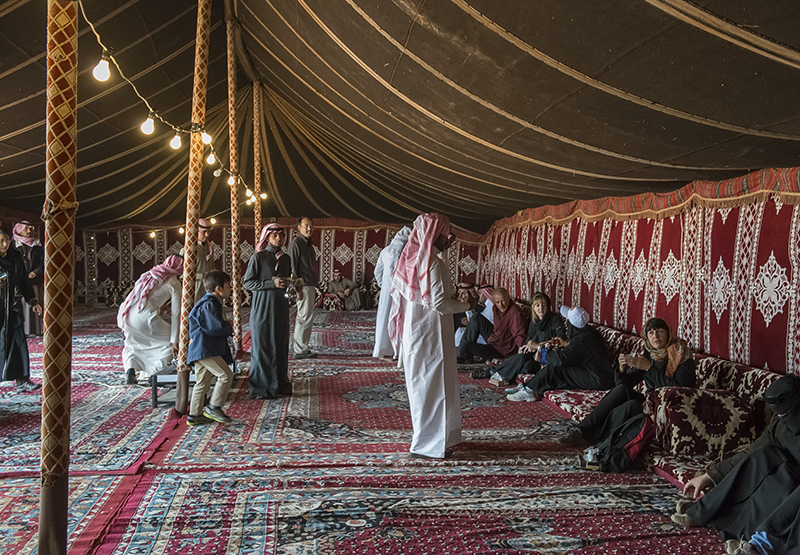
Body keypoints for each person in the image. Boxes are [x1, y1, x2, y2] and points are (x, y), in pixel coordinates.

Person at [671, 374, 800, 555]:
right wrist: (708, 477)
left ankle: (756, 543)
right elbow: (752, 451)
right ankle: (704, 511)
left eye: (784, 413)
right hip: (786, 473)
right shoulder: (780, 424)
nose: (780, 417)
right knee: (763, 456)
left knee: (777, 482)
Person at [389, 213, 478, 459]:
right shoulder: (433, 263)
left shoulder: (411, 260)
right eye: (447, 234)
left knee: (424, 388)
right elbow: (439, 304)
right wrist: (467, 306)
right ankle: (427, 445)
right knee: (432, 389)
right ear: (434, 234)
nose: (451, 239)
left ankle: (438, 439)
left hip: (416, 334)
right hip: (430, 337)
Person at [559, 317, 695, 446]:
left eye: (660, 331)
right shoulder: (651, 353)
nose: (655, 336)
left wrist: (649, 367)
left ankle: (589, 436)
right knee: (622, 392)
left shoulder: (681, 354)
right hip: (652, 402)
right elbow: (623, 384)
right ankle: (583, 430)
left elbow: (679, 390)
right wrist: (621, 370)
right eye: (651, 332)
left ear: (668, 333)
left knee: (629, 407)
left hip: (670, 408)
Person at [508, 305, 613, 401]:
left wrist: (542, 352)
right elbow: (580, 350)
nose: (565, 322)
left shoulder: (581, 340)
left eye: (567, 320)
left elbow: (560, 360)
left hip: (596, 378)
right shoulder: (589, 332)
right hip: (600, 374)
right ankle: (529, 386)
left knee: (556, 368)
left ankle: (529, 390)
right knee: (555, 367)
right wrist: (566, 344)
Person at [243, 223, 294, 399]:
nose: (278, 238)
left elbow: (288, 280)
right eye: (274, 235)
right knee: (263, 347)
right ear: (267, 237)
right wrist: (270, 284)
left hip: (280, 308)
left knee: (280, 346)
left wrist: (292, 286)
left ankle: (280, 385)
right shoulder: (258, 258)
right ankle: (262, 389)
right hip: (262, 309)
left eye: (281, 235)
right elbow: (247, 283)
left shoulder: (286, 259)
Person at [117, 255, 183, 384]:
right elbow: (176, 314)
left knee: (133, 343)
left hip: (127, 314)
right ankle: (156, 373)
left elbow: (143, 295)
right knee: (170, 342)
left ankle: (130, 369)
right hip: (146, 318)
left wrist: (160, 307)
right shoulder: (174, 283)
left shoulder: (150, 273)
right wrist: (175, 340)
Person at [186, 270, 235, 426]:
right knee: (226, 375)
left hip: (201, 348)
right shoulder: (209, 304)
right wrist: (228, 325)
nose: (230, 289)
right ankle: (214, 407)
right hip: (205, 349)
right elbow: (214, 328)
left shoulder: (209, 302)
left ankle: (194, 415)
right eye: (228, 285)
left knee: (203, 382)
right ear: (218, 289)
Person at [0, 227, 42, 392]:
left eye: (6, 241)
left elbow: (24, 281)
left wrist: (34, 302)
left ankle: (23, 380)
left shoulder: (15, 256)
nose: (5, 244)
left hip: (14, 308)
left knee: (18, 342)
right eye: (1, 242)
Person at [495, 292, 567, 386]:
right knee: (525, 364)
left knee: (523, 361)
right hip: (535, 356)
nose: (540, 309)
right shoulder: (534, 322)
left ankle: (497, 373)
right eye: (537, 305)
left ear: (548, 306)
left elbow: (559, 341)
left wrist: (536, 346)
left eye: (544, 305)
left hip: (548, 356)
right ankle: (500, 374)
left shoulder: (555, 319)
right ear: (533, 307)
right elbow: (529, 341)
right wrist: (525, 348)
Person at [456, 287, 526, 364]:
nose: (501, 305)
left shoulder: (514, 312)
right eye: (497, 302)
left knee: (466, 345)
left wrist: (521, 348)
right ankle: (465, 355)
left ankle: (465, 354)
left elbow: (519, 333)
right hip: (496, 340)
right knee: (476, 318)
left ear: (508, 298)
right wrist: (491, 338)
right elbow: (497, 329)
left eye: (503, 301)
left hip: (502, 350)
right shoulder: (495, 308)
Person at [373, 226, 411, 359]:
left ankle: (382, 349)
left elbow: (377, 272)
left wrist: (385, 286)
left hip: (387, 292)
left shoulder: (386, 251)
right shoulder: (408, 252)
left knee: (384, 319)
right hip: (402, 291)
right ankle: (399, 351)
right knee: (400, 319)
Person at [288, 216, 318, 360]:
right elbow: (293, 268)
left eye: (311, 225)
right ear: (299, 227)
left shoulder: (308, 244)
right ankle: (299, 349)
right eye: (306, 225)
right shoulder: (296, 243)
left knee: (307, 317)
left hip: (309, 283)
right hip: (303, 285)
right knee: (303, 316)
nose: (309, 228)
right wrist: (297, 289)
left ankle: (303, 347)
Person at [12, 221, 43, 336]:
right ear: (19, 230)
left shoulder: (36, 245)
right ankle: (23, 331)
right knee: (21, 304)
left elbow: (42, 261)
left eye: (31, 229)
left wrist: (36, 272)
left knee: (34, 301)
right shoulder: (13, 245)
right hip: (18, 279)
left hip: (33, 279)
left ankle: (34, 330)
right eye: (26, 229)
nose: (29, 231)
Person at [180, 218, 215, 305]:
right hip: (194, 288)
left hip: (209, 287)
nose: (207, 235)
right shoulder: (188, 250)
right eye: (204, 232)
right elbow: (182, 273)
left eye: (209, 232)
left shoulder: (209, 248)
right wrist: (202, 276)